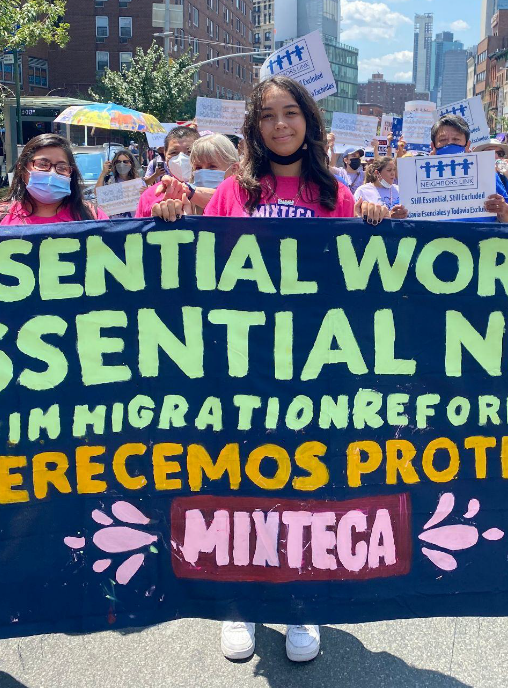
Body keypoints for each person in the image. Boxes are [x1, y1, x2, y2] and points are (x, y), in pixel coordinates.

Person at [152, 76, 351, 663]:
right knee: (238, 478)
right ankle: (239, 601)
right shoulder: (233, 192)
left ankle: (299, 601)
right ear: (254, 128)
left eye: (292, 113)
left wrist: (371, 216)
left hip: (312, 366)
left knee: (304, 479)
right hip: (239, 365)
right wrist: (168, 218)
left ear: (308, 122)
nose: (281, 125)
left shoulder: (333, 192)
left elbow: (361, 272)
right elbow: (199, 261)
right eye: (268, 116)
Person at [0, 133, 108, 225]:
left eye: (62, 168)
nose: (52, 173)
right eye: (42, 164)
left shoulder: (93, 215)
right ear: (22, 169)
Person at [429, 114, 508, 223]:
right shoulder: (416, 176)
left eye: (456, 139)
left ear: (467, 146)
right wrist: (402, 214)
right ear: (433, 146)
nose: (450, 144)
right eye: (443, 140)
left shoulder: (486, 172)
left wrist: (504, 209)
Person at [137, 132, 238, 218]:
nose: (203, 172)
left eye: (212, 166)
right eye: (198, 167)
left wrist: (188, 190)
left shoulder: (247, 203)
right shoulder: (180, 201)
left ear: (234, 169)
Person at [353, 156, 408, 224]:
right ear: (377, 173)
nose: (393, 173)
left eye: (394, 170)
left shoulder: (399, 190)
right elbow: (355, 215)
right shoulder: (363, 191)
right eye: (389, 170)